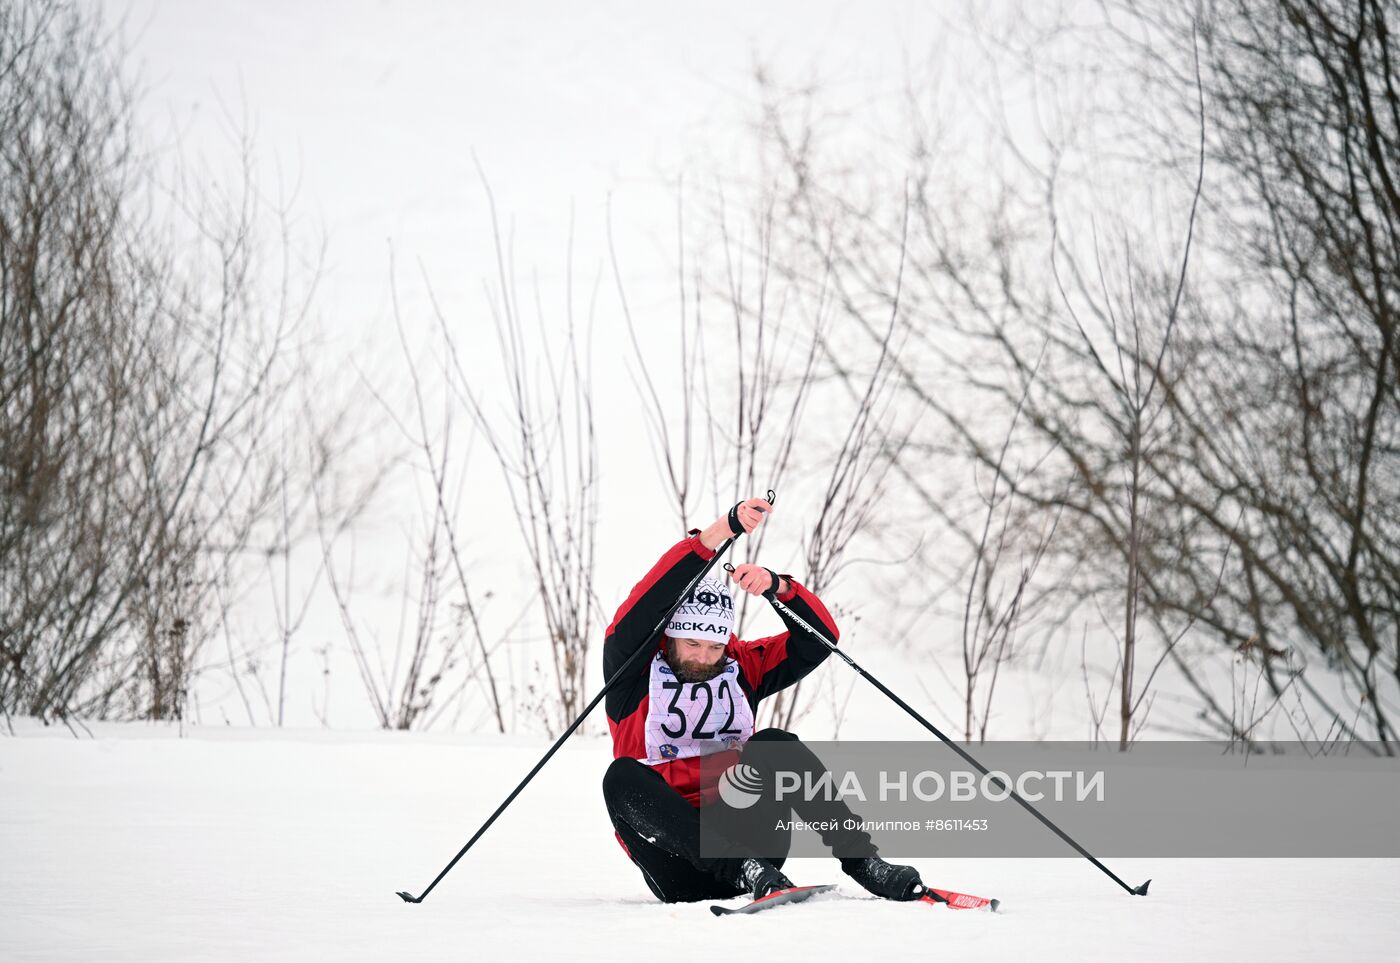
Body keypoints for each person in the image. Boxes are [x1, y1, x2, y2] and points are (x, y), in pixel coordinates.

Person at [601, 496, 925, 903]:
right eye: (692, 643)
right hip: (678, 861)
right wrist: (720, 531)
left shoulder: (742, 666)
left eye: (715, 646)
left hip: (757, 847)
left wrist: (780, 588)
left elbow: (817, 642)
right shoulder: (631, 671)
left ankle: (863, 862)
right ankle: (739, 868)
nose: (704, 657)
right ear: (669, 636)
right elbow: (644, 603)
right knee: (621, 776)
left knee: (774, 744)